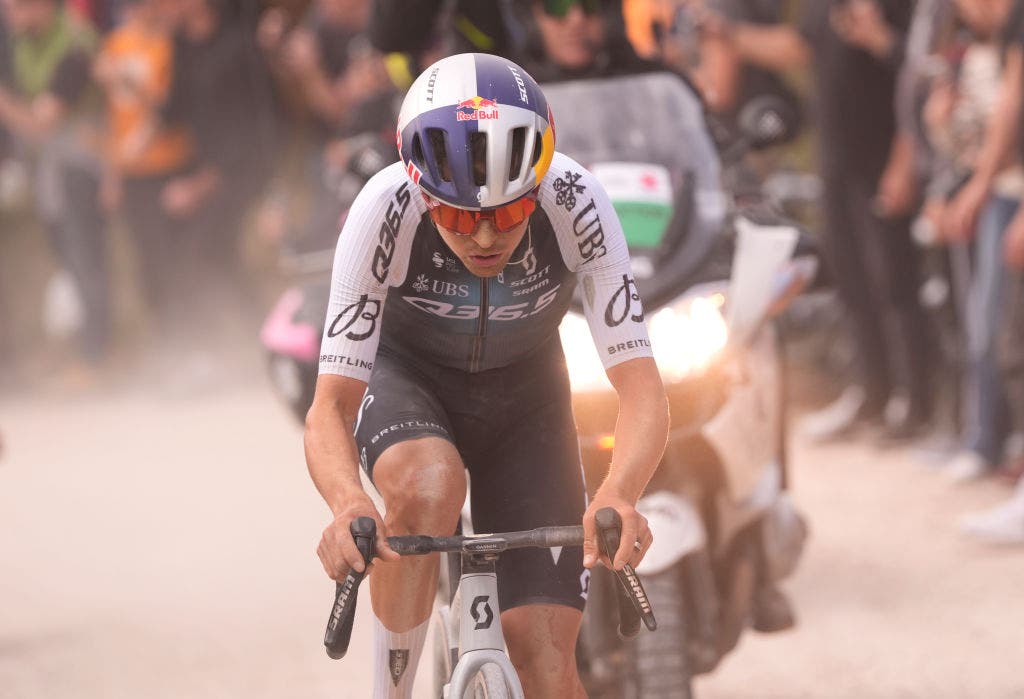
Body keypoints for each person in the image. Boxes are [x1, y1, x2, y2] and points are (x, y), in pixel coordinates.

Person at [304, 52, 669, 697]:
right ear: (422, 192)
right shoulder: (382, 208)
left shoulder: (577, 200)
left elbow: (641, 385)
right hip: (410, 378)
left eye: (506, 214)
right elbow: (331, 405)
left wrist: (620, 492)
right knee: (429, 483)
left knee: (547, 663)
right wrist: (348, 504)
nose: (483, 238)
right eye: (456, 216)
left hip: (526, 397)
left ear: (538, 188)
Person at [0, 0, 110, 376]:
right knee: (69, 262)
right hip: (50, 169)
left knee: (86, 260)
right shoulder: (25, 43)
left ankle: (96, 357)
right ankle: (81, 352)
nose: (7, 16)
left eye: (14, 8)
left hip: (84, 164)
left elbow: (41, 122)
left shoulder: (75, 43)